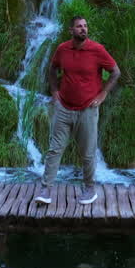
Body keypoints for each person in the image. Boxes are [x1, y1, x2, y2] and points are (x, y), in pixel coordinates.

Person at [35, 15, 120, 206]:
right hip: (64, 108)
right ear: (71, 30)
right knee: (54, 150)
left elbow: (116, 71)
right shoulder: (62, 49)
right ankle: (46, 189)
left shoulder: (97, 50)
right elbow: (52, 69)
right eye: (79, 26)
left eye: (85, 26)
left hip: (88, 109)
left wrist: (103, 94)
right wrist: (54, 91)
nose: (83, 29)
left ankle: (89, 189)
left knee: (88, 153)